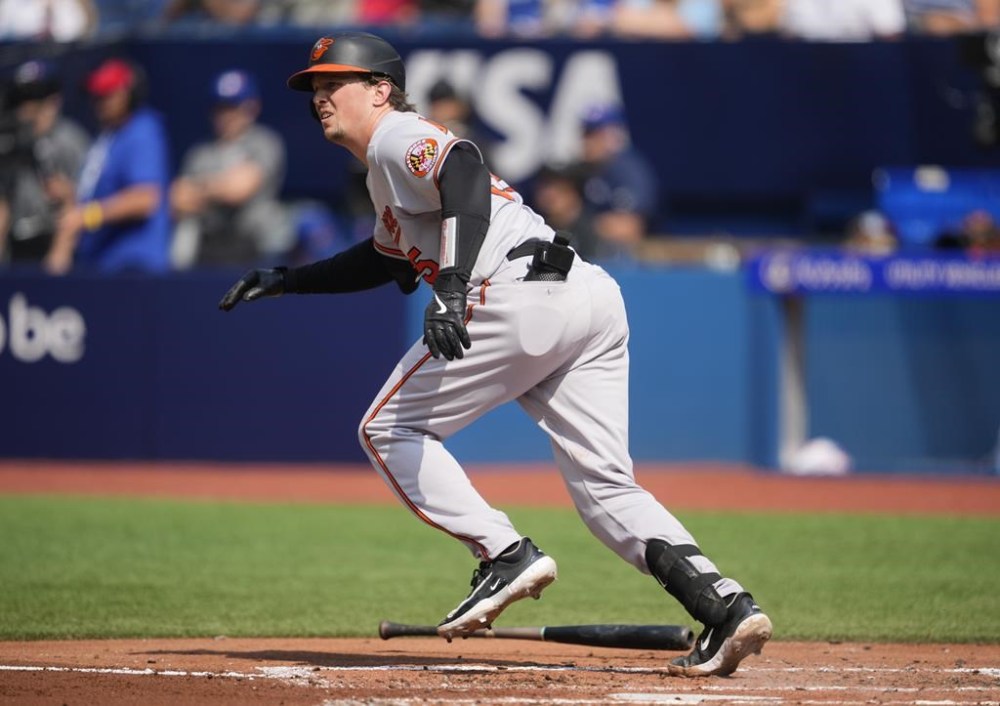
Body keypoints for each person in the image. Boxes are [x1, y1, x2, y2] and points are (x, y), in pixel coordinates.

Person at [218, 31, 772, 677]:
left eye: (334, 82)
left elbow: (464, 167)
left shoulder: (398, 134)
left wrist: (451, 287)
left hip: (515, 295)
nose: (320, 96)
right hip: (584, 296)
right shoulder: (384, 173)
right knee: (604, 488)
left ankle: (504, 554)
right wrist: (290, 279)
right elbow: (383, 258)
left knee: (389, 427)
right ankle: (724, 604)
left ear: (379, 89)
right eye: (314, 86)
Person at [44, 57, 171, 275]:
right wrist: (70, 196)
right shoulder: (106, 137)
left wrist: (86, 216)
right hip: (100, 264)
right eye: (97, 95)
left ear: (130, 93)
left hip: (132, 267)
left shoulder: (141, 131)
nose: (100, 101)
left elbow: (145, 198)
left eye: (108, 94)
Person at [170, 69, 293, 269]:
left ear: (252, 107)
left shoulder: (264, 141)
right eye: (220, 107)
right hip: (212, 243)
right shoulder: (200, 152)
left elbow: (239, 190)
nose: (226, 115)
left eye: (233, 107)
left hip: (257, 243)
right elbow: (178, 199)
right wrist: (220, 186)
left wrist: (200, 189)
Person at [0, 59, 90, 266]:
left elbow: (89, 198)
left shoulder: (70, 140)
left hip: (56, 242)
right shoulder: (9, 142)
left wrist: (69, 194)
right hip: (15, 244)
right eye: (22, 100)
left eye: (36, 100)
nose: (28, 109)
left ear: (54, 101)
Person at [572, 103, 661, 258]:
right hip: (590, 254)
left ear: (614, 135)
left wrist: (583, 225)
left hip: (632, 261)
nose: (587, 141)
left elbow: (630, 228)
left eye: (594, 134)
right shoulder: (580, 170)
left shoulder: (629, 170)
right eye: (585, 133)